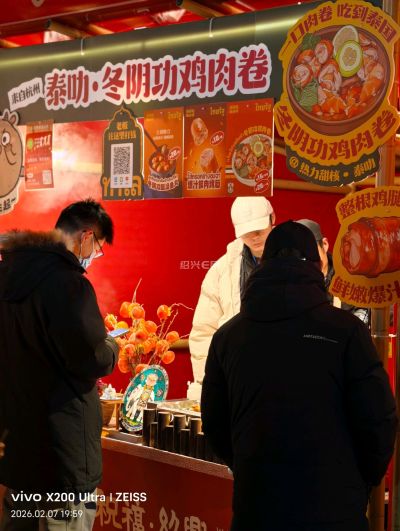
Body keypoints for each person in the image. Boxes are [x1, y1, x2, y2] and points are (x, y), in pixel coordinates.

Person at [201, 220, 397, 531]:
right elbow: (378, 420)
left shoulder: (228, 337)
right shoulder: (346, 331)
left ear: (263, 265)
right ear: (319, 264)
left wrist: (246, 467)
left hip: (257, 509)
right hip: (334, 510)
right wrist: (358, 482)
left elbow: (214, 423)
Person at [0, 199, 119, 531]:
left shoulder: (7, 275)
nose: (94, 256)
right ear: (86, 236)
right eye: (98, 248)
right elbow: (92, 357)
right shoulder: (68, 284)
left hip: (19, 448)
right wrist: (112, 345)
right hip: (62, 454)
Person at [189, 196, 275, 392]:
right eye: (246, 233)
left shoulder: (295, 262)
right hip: (236, 376)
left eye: (259, 230)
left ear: (273, 218)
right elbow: (204, 331)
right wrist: (207, 383)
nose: (254, 237)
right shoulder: (221, 271)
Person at [297, 218, 369, 323]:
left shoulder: (349, 277)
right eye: (301, 255)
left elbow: (366, 309)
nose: (309, 260)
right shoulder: (291, 284)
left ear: (324, 244)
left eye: (311, 251)